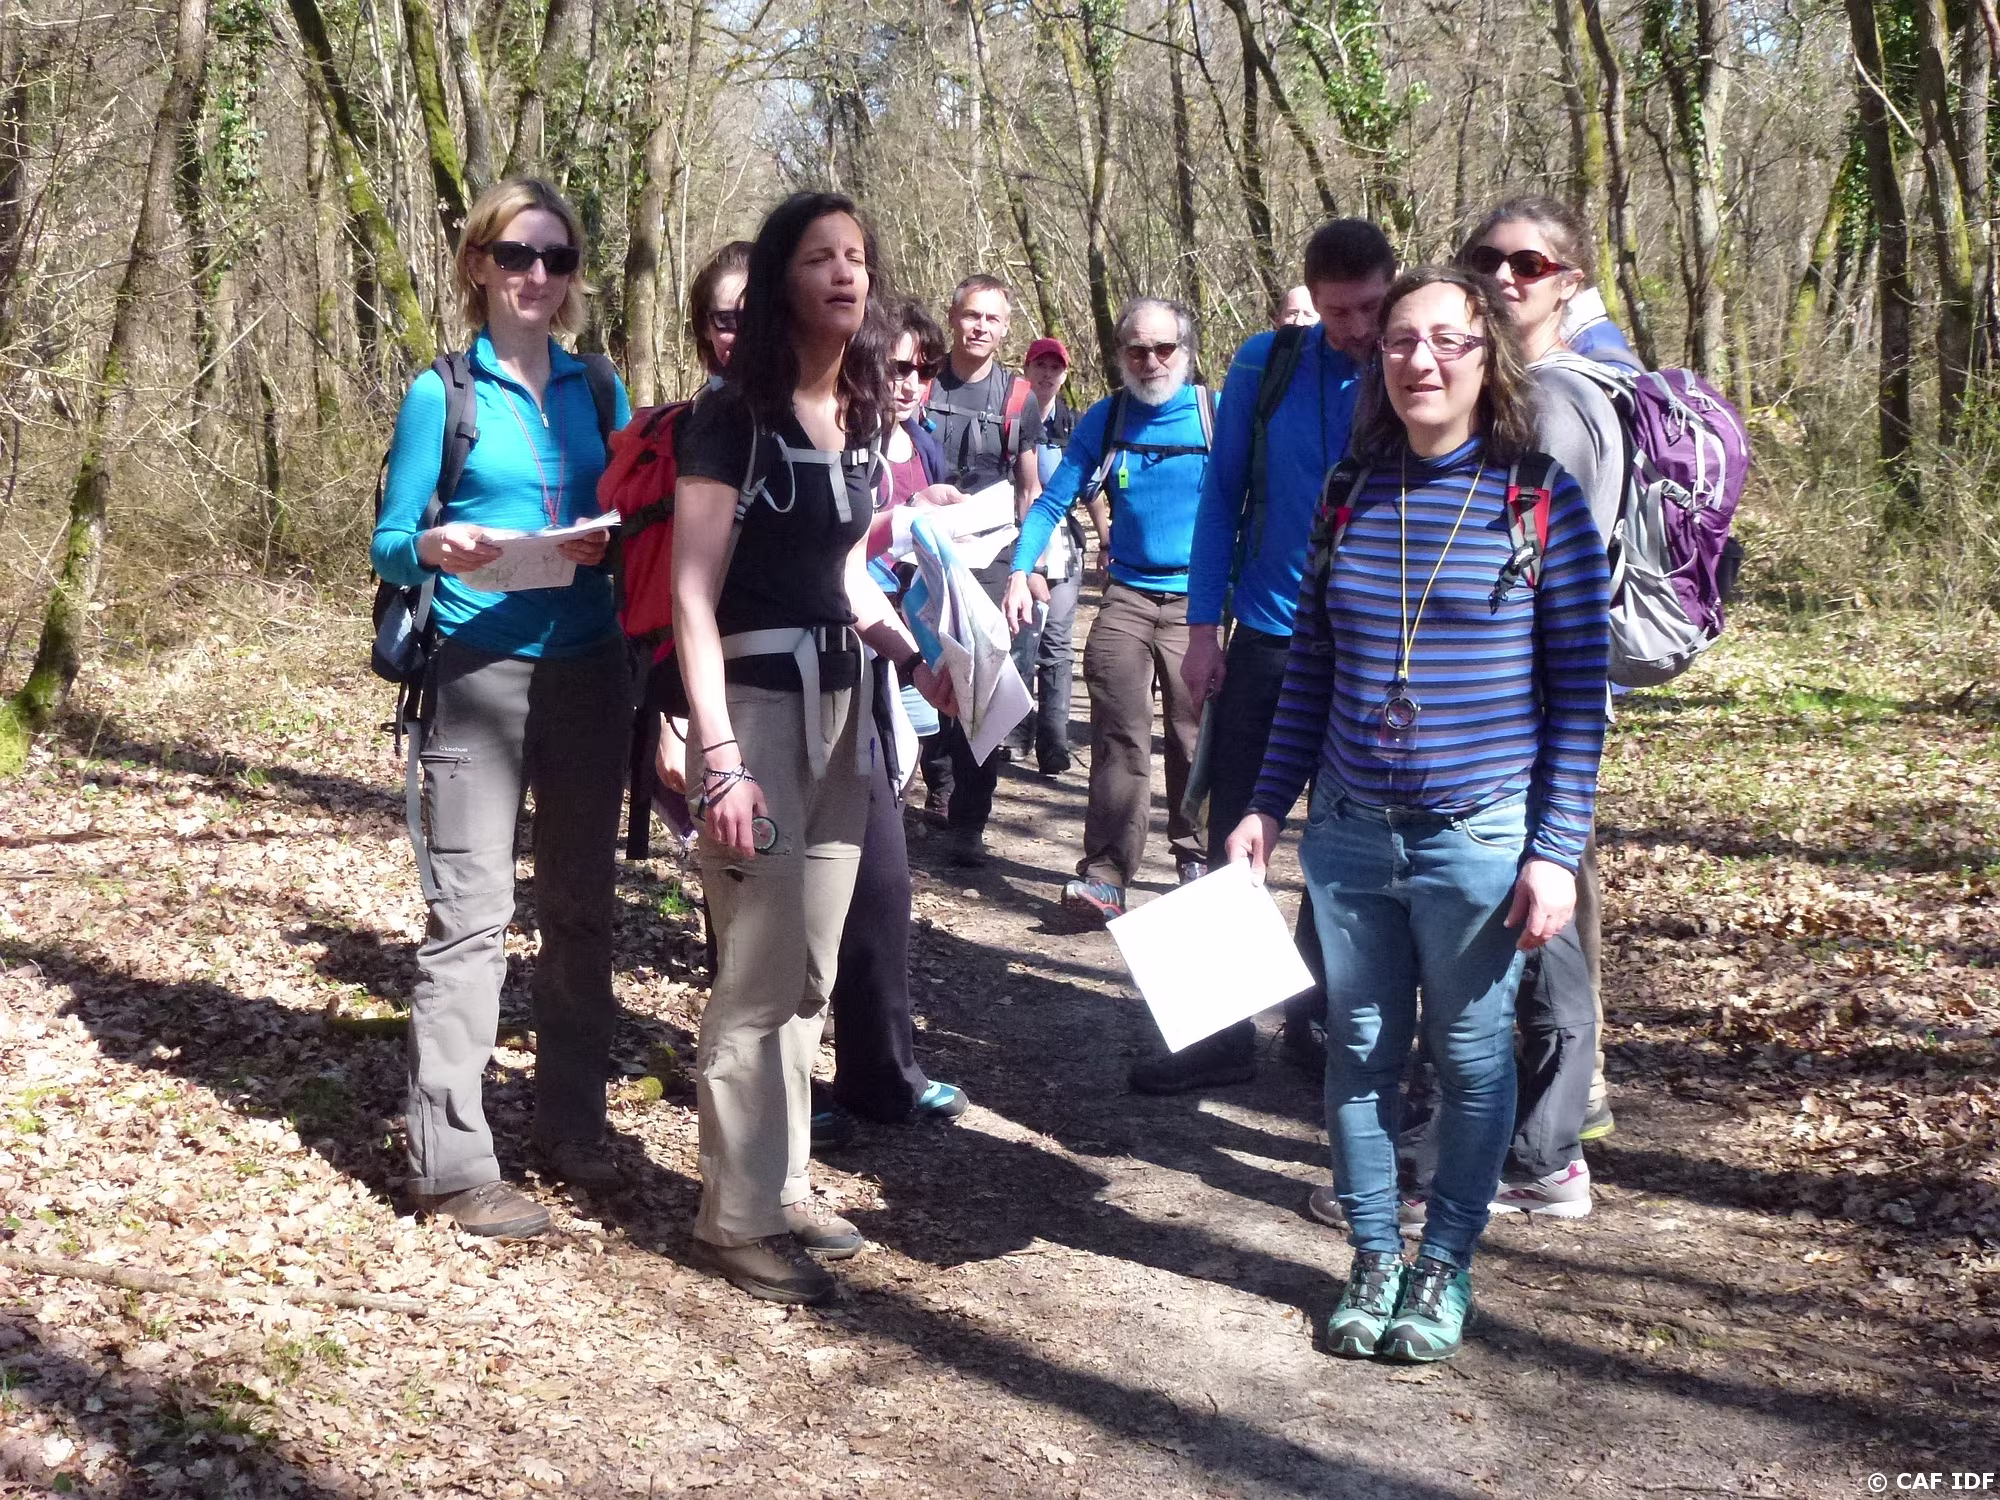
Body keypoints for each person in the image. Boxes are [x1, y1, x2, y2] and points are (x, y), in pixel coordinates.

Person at [1228, 266, 1609, 1363]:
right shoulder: (1348, 490)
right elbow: (1312, 667)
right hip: (1348, 832)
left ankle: (1442, 1263)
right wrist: (1265, 804)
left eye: (1448, 340)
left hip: (1477, 836)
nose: (1421, 361)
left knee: (1473, 1058)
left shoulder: (1538, 499)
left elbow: (1578, 696)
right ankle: (1372, 1257)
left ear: (1489, 357)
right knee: (1356, 1050)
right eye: (1400, 341)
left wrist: (1554, 851)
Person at [671, 192, 953, 1306]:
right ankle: (732, 1218)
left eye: (857, 257)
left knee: (812, 971)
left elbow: (840, 570)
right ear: (783, 280)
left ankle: (782, 1184)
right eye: (820, 257)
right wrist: (719, 756)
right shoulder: (729, 419)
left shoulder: (857, 412)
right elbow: (691, 594)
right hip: (757, 707)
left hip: (847, 704)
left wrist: (918, 655)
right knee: (758, 966)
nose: (845, 273)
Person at [371, 177, 633, 1238]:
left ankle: (574, 1127)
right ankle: (451, 1163)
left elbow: (636, 515)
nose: (538, 275)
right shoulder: (442, 394)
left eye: (557, 259)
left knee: (581, 910)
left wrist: (611, 543)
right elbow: (391, 542)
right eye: (518, 255)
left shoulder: (597, 387)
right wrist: (437, 545)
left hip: (590, 670)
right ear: (478, 263)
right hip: (478, 671)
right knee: (471, 919)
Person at [1135, 219, 1395, 1096]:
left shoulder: (1416, 364)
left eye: (1370, 308)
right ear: (1311, 302)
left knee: (1346, 840)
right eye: (1337, 312)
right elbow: (1223, 498)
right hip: (1271, 637)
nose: (1356, 329)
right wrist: (1203, 629)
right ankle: (1219, 1033)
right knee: (1233, 828)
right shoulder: (1266, 363)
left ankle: (1318, 1022)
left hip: (1376, 649)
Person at [1456, 197, 1631, 1214]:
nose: (1503, 277)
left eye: (1528, 264)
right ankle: (1546, 1138)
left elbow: (1524, 581)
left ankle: (1535, 1150)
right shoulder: (1536, 389)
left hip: (1533, 705)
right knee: (1540, 906)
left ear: (1568, 282)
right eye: (1486, 259)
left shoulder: (1554, 403)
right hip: (1529, 704)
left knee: (1536, 911)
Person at [815, 297, 971, 1144]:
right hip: (775, 683)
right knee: (788, 898)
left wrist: (913, 659)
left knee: (880, 881)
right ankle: (776, 1096)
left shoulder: (897, 444)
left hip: (872, 666)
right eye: (893, 367)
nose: (907, 382)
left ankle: (881, 1075)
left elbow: (853, 575)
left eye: (919, 369)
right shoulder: (801, 432)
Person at [1004, 297, 1212, 923]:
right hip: (1126, 596)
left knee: (1193, 735)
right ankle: (1106, 875)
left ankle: (1197, 861)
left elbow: (1256, 502)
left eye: (1164, 348)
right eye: (1137, 350)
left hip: (1199, 603)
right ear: (1120, 355)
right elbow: (1051, 501)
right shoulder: (1108, 416)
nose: (1151, 361)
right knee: (1120, 736)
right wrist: (1020, 569)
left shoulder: (1216, 415)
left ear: (1185, 352)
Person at [919, 274, 1034, 863]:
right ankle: (936, 780)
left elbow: (1030, 490)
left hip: (989, 555)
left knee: (981, 680)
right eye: (971, 315)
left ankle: (970, 817)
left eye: (992, 318)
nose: (980, 327)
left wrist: (1027, 570)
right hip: (920, 548)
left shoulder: (1018, 398)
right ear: (953, 316)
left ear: (1006, 328)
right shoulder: (918, 380)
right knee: (924, 668)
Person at [1003, 336, 1088, 776]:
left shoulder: (1075, 426)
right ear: (1026, 368)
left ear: (1064, 374)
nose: (1047, 374)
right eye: (1040, 365)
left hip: (1064, 545)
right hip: (1015, 540)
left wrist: (1106, 538)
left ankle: (1053, 742)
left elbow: (1092, 487)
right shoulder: (1009, 416)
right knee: (1020, 637)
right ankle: (1015, 733)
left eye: (1056, 367)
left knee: (1055, 641)